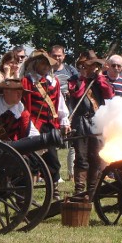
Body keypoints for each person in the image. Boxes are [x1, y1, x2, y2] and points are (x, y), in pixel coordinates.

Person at [22, 49, 69, 189]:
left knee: (53, 160)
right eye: (43, 64)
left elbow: (60, 103)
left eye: (48, 64)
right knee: (32, 159)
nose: (46, 67)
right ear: (35, 64)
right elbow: (24, 105)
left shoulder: (53, 82)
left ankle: (53, 188)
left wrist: (64, 120)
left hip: (50, 125)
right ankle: (28, 188)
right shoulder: (27, 81)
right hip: (34, 125)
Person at [67, 50, 113, 196]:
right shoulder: (75, 80)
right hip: (80, 122)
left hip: (96, 120)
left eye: (94, 65)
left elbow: (109, 94)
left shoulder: (99, 80)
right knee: (81, 158)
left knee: (97, 157)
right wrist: (83, 77)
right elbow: (77, 93)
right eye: (89, 65)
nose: (92, 68)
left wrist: (98, 77)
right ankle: (79, 190)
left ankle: (92, 191)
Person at [51, 45, 78, 180]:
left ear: (64, 56)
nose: (57, 58)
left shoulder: (70, 70)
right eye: (54, 55)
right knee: (53, 141)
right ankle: (54, 175)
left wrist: (71, 92)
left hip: (69, 108)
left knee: (72, 141)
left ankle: (71, 173)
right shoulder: (48, 70)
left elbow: (78, 84)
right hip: (52, 109)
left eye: (59, 55)